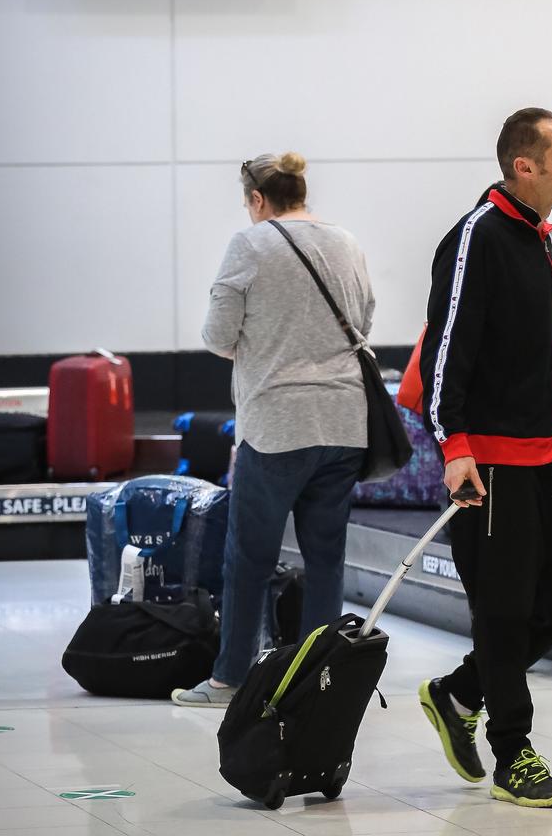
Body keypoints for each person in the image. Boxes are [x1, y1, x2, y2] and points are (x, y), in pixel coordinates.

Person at [417, 108, 552, 808]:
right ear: (526, 166)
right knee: (503, 612)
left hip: (548, 457)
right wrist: (454, 448)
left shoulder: (537, 240)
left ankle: (459, 693)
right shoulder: (478, 239)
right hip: (489, 464)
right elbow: (443, 354)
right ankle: (512, 755)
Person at [172, 152, 374, 706]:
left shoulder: (249, 244)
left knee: (249, 558)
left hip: (276, 427)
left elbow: (218, 335)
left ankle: (230, 678)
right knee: (326, 558)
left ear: (258, 200)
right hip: (344, 422)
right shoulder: (347, 242)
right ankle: (316, 682)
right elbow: (366, 318)